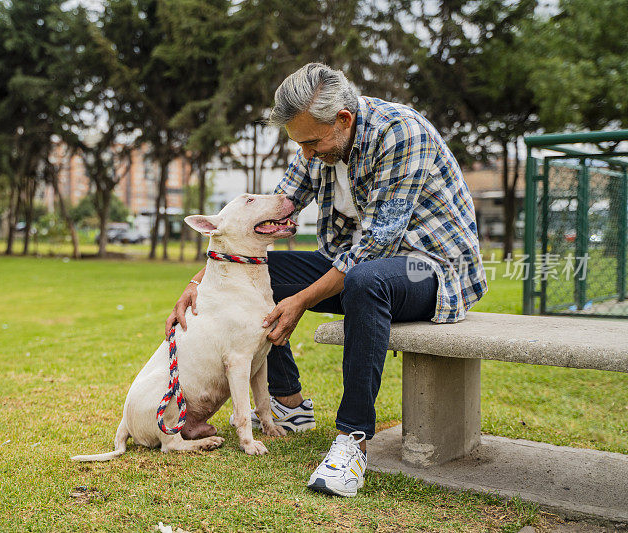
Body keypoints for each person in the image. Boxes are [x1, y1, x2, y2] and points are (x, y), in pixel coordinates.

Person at [166, 62, 488, 497]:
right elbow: (276, 209)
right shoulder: (318, 145)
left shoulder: (400, 132)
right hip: (357, 266)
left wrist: (300, 302)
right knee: (265, 272)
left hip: (428, 268)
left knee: (366, 280)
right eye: (299, 144)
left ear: (344, 120)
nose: (307, 155)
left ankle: (351, 440)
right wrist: (199, 282)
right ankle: (289, 402)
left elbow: (377, 245)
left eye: (312, 143)